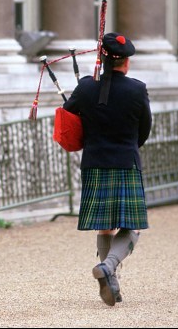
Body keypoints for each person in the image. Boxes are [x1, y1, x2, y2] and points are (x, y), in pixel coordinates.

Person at [62, 32, 152, 306]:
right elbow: (144, 129)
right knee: (132, 227)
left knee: (104, 228)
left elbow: (68, 119)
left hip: (94, 163)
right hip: (125, 161)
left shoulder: (86, 87)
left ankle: (109, 279)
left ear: (101, 58)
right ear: (125, 62)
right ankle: (109, 266)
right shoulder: (137, 89)